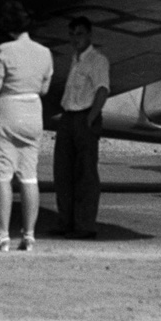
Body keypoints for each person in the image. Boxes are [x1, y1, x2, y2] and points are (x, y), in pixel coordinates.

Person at [0, 1, 52, 252]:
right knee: (29, 177)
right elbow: (44, 88)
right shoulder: (44, 52)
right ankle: (29, 236)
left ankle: (2, 237)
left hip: (8, 110)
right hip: (33, 112)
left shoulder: (2, 51)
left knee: (1, 175)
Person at [53, 16, 110, 239]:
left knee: (85, 174)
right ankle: (66, 222)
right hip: (69, 116)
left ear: (89, 35)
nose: (75, 39)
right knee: (63, 171)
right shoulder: (75, 59)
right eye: (72, 34)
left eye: (80, 34)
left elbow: (102, 90)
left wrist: (91, 117)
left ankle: (85, 226)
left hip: (84, 117)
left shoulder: (97, 60)